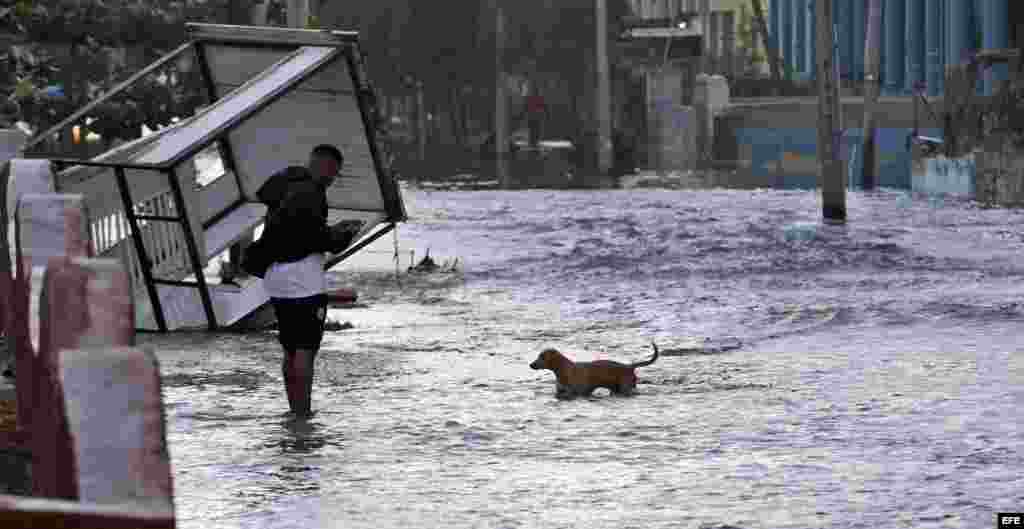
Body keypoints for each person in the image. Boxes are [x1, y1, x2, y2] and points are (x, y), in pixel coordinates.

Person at [256, 144, 362, 417]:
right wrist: (343, 234)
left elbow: (298, 230)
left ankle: (294, 410)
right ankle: (303, 414)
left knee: (290, 348)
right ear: (326, 166)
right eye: (333, 173)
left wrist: (330, 231)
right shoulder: (311, 192)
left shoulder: (286, 185)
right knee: (305, 349)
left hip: (276, 276)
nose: (332, 179)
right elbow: (315, 238)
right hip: (303, 279)